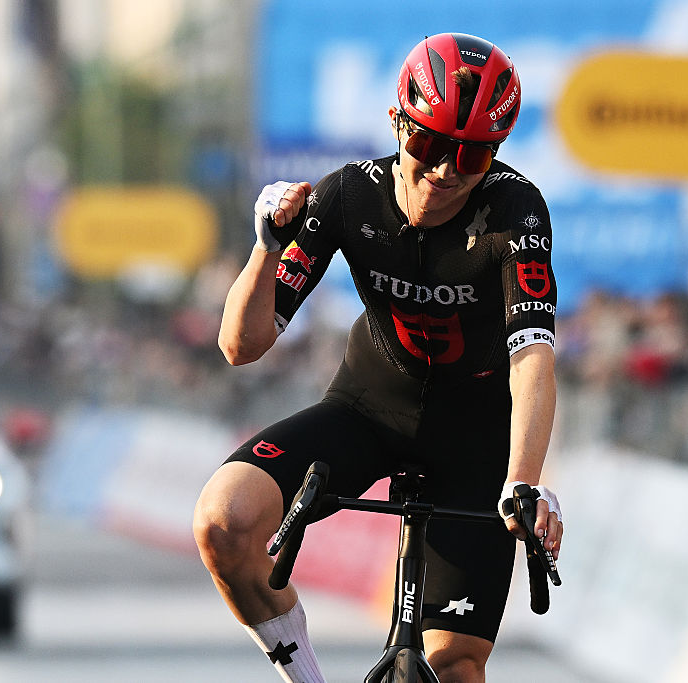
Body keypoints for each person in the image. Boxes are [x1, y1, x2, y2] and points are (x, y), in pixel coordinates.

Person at [193, 32, 563, 683]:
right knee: (225, 522)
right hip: (368, 410)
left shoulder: (515, 209)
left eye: (473, 154)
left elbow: (532, 356)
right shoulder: (346, 196)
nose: (446, 169)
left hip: (474, 439)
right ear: (396, 122)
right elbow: (240, 346)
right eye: (429, 143)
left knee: (454, 667)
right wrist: (266, 248)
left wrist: (523, 480)